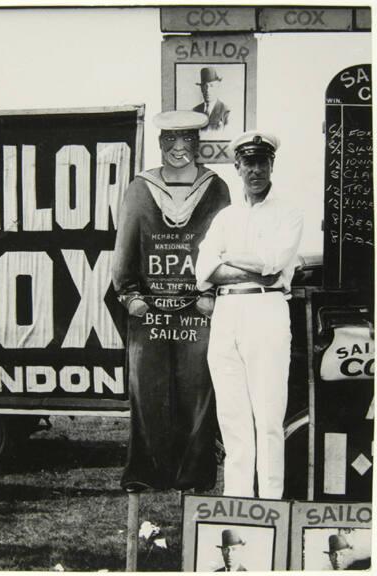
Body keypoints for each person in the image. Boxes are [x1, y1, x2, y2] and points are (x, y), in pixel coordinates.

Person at [112, 110, 230, 492]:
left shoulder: (215, 188)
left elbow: (224, 247)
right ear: (161, 143)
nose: (180, 148)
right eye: (171, 140)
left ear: (198, 143)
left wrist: (210, 292)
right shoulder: (140, 188)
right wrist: (128, 294)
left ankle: (195, 474)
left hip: (197, 306)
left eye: (188, 140)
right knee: (146, 389)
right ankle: (145, 472)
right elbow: (124, 248)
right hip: (149, 309)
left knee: (199, 390)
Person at [196, 130, 303, 499]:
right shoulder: (226, 217)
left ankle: (270, 502)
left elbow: (273, 265)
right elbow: (202, 271)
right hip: (227, 311)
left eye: (262, 162)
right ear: (237, 167)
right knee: (233, 420)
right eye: (248, 163)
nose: (255, 170)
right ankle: (238, 504)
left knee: (269, 418)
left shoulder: (288, 212)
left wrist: (226, 260)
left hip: (267, 308)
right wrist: (237, 265)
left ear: (271, 165)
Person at [193, 67, 230, 137]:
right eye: (205, 86)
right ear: (201, 89)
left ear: (217, 87)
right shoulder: (195, 111)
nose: (208, 90)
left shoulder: (226, 111)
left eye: (211, 86)